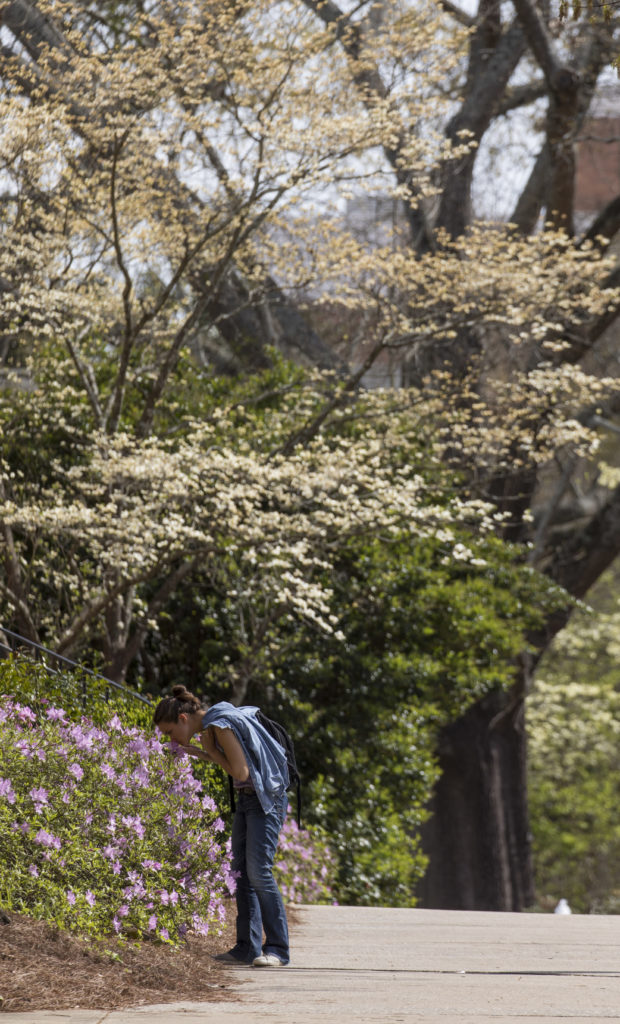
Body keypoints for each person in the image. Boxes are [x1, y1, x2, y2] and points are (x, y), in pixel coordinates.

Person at [153, 685, 290, 967]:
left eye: (169, 732)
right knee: (241, 873)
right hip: (248, 798)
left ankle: (278, 949)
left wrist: (211, 751)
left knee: (259, 872)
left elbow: (240, 771)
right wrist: (200, 752)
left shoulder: (219, 725)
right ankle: (246, 948)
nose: (171, 739)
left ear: (182, 719)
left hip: (265, 800)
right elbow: (235, 764)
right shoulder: (213, 725)